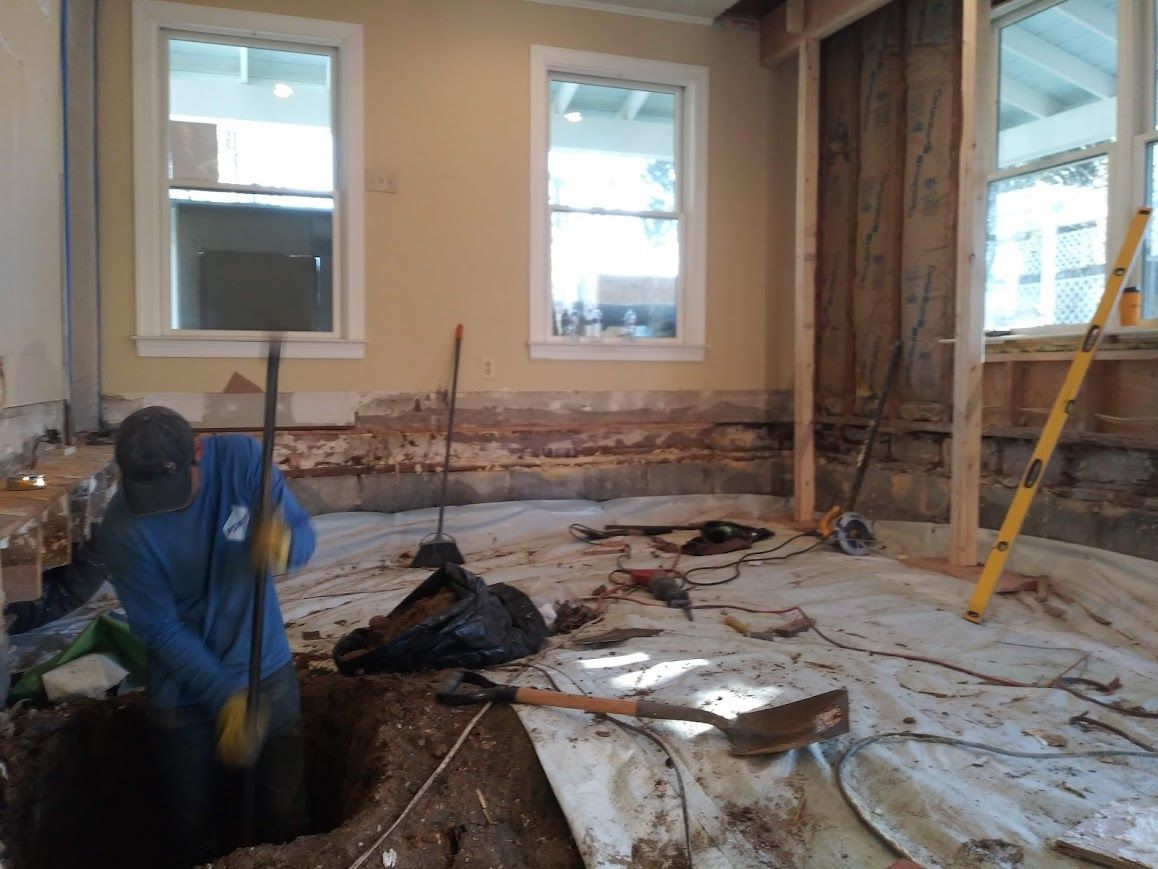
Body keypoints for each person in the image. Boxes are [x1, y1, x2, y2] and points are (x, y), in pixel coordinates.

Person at [100, 406, 315, 867]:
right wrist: (224, 696)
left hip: (266, 665)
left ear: (198, 450)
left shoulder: (241, 460)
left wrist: (284, 545)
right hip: (183, 695)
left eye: (174, 489)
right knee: (193, 829)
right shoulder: (121, 531)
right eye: (149, 494)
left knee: (285, 815)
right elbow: (159, 628)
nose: (165, 504)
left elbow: (301, 533)